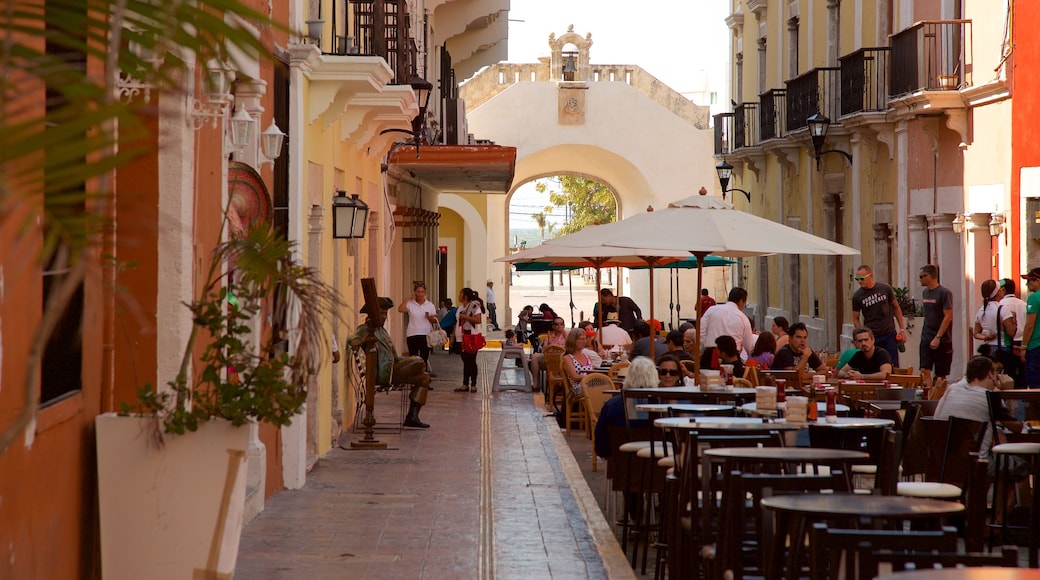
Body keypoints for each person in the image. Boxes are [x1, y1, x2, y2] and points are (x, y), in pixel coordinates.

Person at [348, 297, 430, 429]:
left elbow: (396, 357)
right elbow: (352, 340)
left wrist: (409, 361)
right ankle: (417, 364)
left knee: (424, 377)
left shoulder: (382, 331)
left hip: (393, 367)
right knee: (419, 362)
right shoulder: (365, 329)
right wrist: (366, 340)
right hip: (384, 373)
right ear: (373, 315)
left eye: (385, 314)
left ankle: (412, 417)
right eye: (381, 313)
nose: (384, 317)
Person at [851, 265, 906, 365]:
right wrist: (861, 334)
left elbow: (896, 307)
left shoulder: (885, 288)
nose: (859, 281)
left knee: (892, 363)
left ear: (870, 276)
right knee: (874, 364)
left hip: (888, 333)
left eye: (862, 278)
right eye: (857, 279)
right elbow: (855, 318)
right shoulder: (857, 296)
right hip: (872, 336)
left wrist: (902, 330)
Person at [698, 287, 756, 369]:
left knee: (708, 380)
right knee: (732, 381)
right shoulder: (743, 318)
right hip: (732, 357)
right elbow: (749, 346)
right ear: (741, 301)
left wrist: (703, 349)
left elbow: (701, 332)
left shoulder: (712, 310)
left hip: (711, 354)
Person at [919, 264, 954, 380]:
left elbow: (948, 316)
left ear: (928, 276)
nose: (919, 279)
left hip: (942, 339)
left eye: (921, 277)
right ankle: (928, 396)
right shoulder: (925, 293)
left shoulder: (944, 293)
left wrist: (938, 337)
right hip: (926, 336)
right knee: (924, 369)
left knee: (940, 374)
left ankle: (939, 396)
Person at [398, 281, 439, 378]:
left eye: (422, 292)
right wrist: (408, 298)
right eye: (418, 292)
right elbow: (400, 309)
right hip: (412, 334)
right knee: (413, 359)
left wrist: (429, 317)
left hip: (425, 334)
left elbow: (435, 320)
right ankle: (414, 380)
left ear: (425, 293)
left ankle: (423, 380)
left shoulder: (430, 305)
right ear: (415, 292)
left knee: (424, 359)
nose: (420, 294)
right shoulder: (410, 304)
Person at [454, 287, 484, 393]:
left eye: (460, 294)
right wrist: (453, 336)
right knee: (465, 361)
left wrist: (465, 317)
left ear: (465, 296)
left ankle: (473, 384)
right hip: (460, 338)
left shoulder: (475, 307)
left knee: (471, 361)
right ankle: (465, 383)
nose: (458, 296)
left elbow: (478, 320)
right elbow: (457, 322)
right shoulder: (460, 307)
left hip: (471, 337)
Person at [999, 278, 1027, 385]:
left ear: (1003, 289)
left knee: (1008, 373)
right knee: (1022, 372)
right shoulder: (1023, 304)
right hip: (1023, 341)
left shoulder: (1001, 305)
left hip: (1008, 342)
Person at [531, 317, 568, 392]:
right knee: (534, 356)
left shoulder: (567, 336)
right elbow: (544, 351)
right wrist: (550, 344)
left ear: (564, 326)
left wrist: (565, 336)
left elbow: (570, 348)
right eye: (557, 324)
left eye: (561, 324)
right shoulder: (549, 337)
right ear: (553, 326)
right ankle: (536, 384)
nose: (559, 326)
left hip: (563, 360)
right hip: (550, 359)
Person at [973, 279, 1006, 357]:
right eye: (1000, 288)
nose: (1003, 289)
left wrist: (985, 337)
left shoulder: (981, 310)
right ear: (997, 292)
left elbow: (976, 333)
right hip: (1002, 347)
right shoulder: (1001, 308)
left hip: (988, 348)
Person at [1020, 268, 1040, 388]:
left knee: (1035, 386)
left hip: (1036, 346)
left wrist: (1024, 347)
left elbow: (1030, 324)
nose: (1027, 284)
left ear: (1037, 280)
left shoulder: (1034, 298)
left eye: (1029, 281)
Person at [563, 328, 595, 397]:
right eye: (581, 339)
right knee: (599, 389)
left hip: (590, 383)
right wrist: (589, 377)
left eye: (585, 339)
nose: (584, 341)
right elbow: (574, 377)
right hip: (578, 387)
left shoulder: (588, 357)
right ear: (573, 341)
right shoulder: (568, 358)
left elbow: (593, 372)